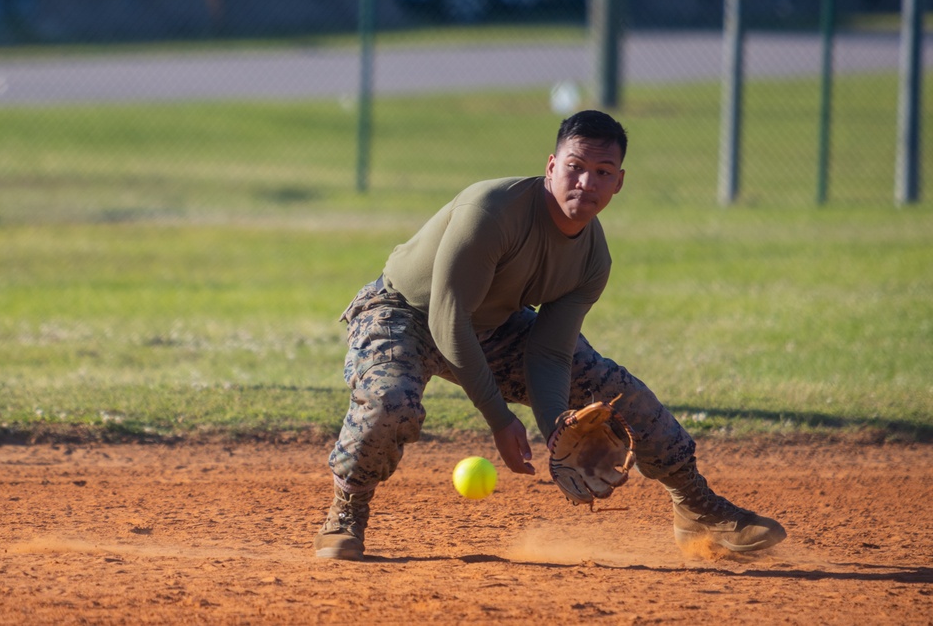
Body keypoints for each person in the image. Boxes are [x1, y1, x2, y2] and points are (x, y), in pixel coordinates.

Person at [313, 110, 786, 561]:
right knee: (389, 400)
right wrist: (500, 419)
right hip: (404, 314)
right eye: (576, 167)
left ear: (619, 182)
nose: (587, 182)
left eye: (603, 171)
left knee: (624, 397)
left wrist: (556, 427)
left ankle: (698, 509)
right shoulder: (491, 212)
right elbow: (447, 319)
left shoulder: (592, 261)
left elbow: (549, 352)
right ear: (552, 166)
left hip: (495, 328)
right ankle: (347, 510)